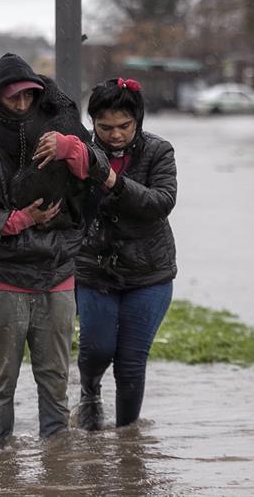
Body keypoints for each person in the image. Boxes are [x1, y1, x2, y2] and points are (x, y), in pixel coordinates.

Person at [0, 53, 110, 451]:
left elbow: (102, 174)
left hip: (58, 274)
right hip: (3, 279)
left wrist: (71, 147)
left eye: (28, 97)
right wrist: (21, 219)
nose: (22, 106)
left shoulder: (60, 131)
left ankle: (55, 468)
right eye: (12, 98)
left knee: (55, 381)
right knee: (1, 383)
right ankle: (0, 464)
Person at [72, 77, 178, 431]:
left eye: (124, 126)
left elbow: (161, 202)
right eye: (105, 127)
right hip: (93, 270)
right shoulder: (81, 153)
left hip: (149, 271)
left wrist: (114, 182)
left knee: (131, 362)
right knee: (97, 348)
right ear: (93, 124)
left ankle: (127, 442)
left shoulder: (158, 151)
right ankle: (89, 393)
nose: (115, 135)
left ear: (138, 121)